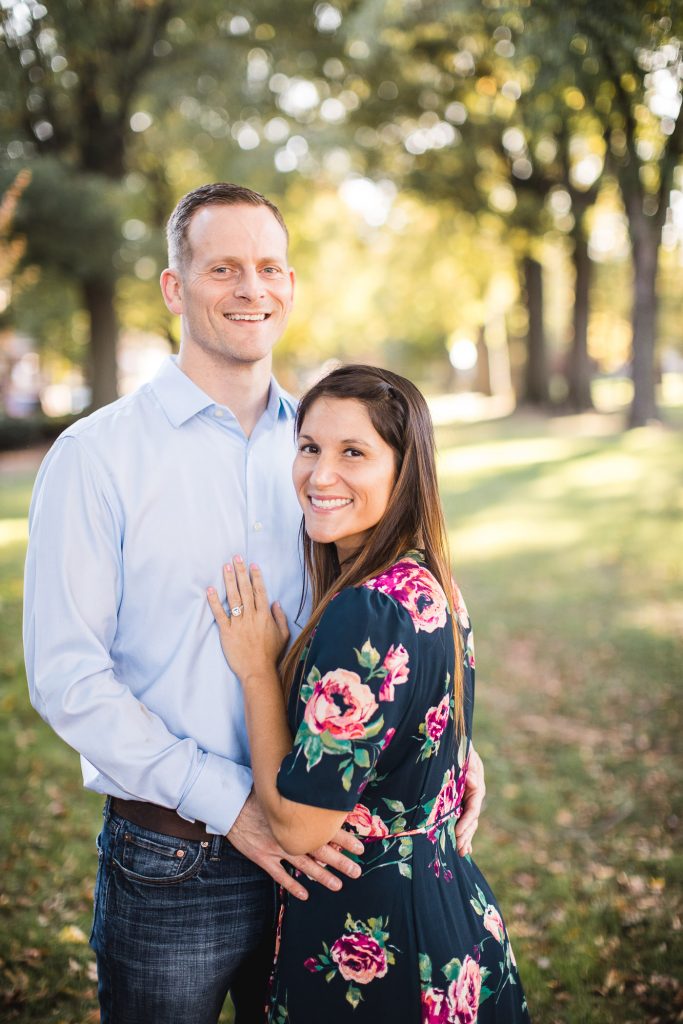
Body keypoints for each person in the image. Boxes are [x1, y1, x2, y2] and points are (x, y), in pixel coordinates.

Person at [23, 184, 486, 1024]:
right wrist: (229, 802)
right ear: (175, 286)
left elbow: (387, 617)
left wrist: (443, 750)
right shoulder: (97, 457)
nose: (250, 289)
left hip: (331, 859)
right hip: (174, 859)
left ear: (291, 284)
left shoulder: (325, 447)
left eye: (268, 267)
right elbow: (66, 678)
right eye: (223, 268)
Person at [207, 364, 530, 1023]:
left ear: (403, 469)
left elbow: (299, 826)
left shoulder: (368, 611)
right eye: (309, 448)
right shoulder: (429, 577)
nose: (320, 475)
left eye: (353, 452)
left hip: (377, 943)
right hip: (448, 917)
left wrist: (255, 672)